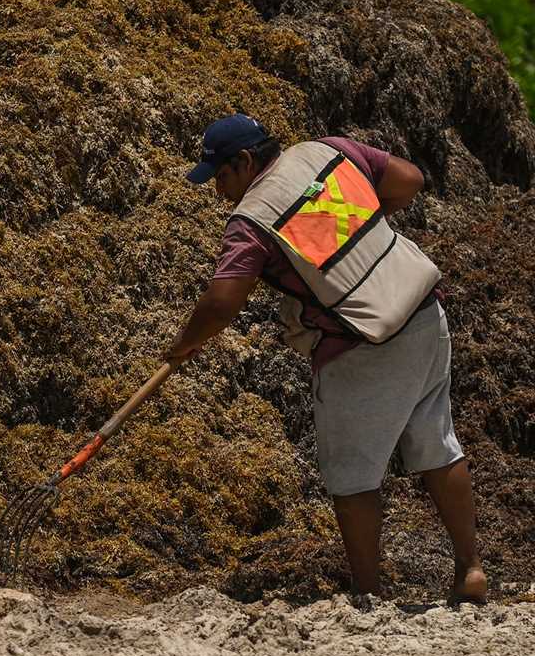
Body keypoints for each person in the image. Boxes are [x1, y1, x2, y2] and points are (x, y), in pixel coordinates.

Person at [168, 114, 486, 603]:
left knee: (352, 474)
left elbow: (221, 302)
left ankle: (368, 593)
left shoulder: (251, 219)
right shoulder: (327, 151)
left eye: (221, 177)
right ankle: (470, 570)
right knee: (437, 444)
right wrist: (355, 230)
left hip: (362, 346)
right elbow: (410, 180)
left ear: (246, 162)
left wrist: (185, 344)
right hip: (424, 311)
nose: (218, 191)